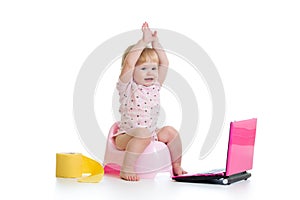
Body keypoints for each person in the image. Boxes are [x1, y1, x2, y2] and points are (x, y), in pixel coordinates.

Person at [114, 22, 187, 181]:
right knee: (142, 133)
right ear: (133, 71)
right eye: (143, 68)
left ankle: (177, 165)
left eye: (153, 68)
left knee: (171, 132)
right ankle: (127, 168)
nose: (150, 73)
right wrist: (143, 41)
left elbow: (165, 63)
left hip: (150, 133)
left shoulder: (155, 85)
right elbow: (128, 64)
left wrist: (155, 43)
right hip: (126, 135)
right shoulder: (127, 86)